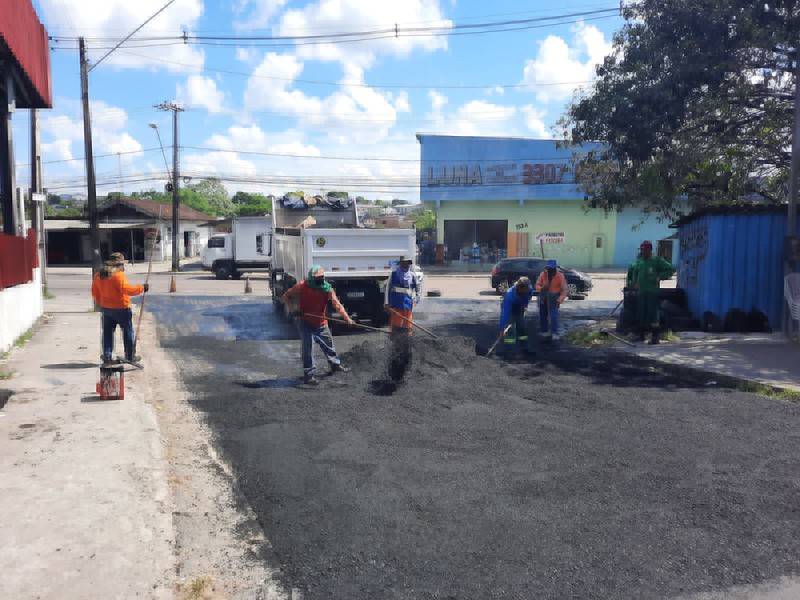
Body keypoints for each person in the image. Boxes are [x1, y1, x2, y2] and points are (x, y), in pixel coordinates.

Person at [283, 265, 355, 385]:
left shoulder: (327, 289)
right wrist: (293, 310)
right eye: (318, 277)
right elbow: (286, 296)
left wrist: (347, 318)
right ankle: (309, 375)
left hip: (321, 322)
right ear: (311, 277)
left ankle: (335, 365)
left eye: (322, 277)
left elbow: (337, 304)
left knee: (328, 343)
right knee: (307, 348)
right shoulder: (302, 286)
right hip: (305, 321)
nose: (320, 280)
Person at [91, 252, 147, 366]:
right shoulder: (118, 275)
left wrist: (102, 303)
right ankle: (129, 355)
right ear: (119, 264)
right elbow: (126, 289)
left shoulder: (98, 275)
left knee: (107, 333)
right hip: (122, 308)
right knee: (127, 332)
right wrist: (142, 288)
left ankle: (107, 357)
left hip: (107, 309)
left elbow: (94, 291)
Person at [631, 240, 677, 344]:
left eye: (644, 250)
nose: (642, 252)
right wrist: (635, 283)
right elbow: (635, 272)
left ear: (650, 250)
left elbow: (671, 268)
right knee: (641, 313)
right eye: (641, 250)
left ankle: (655, 337)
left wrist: (660, 277)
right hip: (642, 292)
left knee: (653, 314)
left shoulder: (656, 260)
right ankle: (641, 335)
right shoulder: (641, 261)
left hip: (652, 292)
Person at [384, 255, 421, 336]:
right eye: (404, 263)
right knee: (395, 319)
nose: (406, 265)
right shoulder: (394, 274)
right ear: (401, 263)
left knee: (408, 320)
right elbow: (387, 289)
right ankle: (394, 334)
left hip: (408, 301)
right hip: (396, 302)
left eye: (408, 263)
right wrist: (387, 302)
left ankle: (408, 334)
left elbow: (418, 287)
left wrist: (416, 299)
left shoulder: (412, 275)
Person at [535, 259, 568, 341]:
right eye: (549, 269)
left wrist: (559, 300)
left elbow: (564, 290)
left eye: (552, 269)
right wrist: (542, 289)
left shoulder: (560, 276)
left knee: (553, 316)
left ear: (555, 269)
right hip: (543, 297)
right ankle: (544, 332)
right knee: (543, 315)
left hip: (554, 298)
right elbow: (537, 285)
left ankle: (554, 332)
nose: (550, 271)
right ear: (547, 268)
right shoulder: (543, 274)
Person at [499, 277, 534, 354]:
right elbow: (504, 314)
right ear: (519, 287)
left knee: (522, 328)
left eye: (526, 289)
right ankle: (509, 350)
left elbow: (528, 297)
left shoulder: (529, 289)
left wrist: (525, 305)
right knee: (511, 329)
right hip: (510, 310)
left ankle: (524, 348)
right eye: (523, 289)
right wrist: (502, 328)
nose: (525, 291)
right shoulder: (509, 296)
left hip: (519, 309)